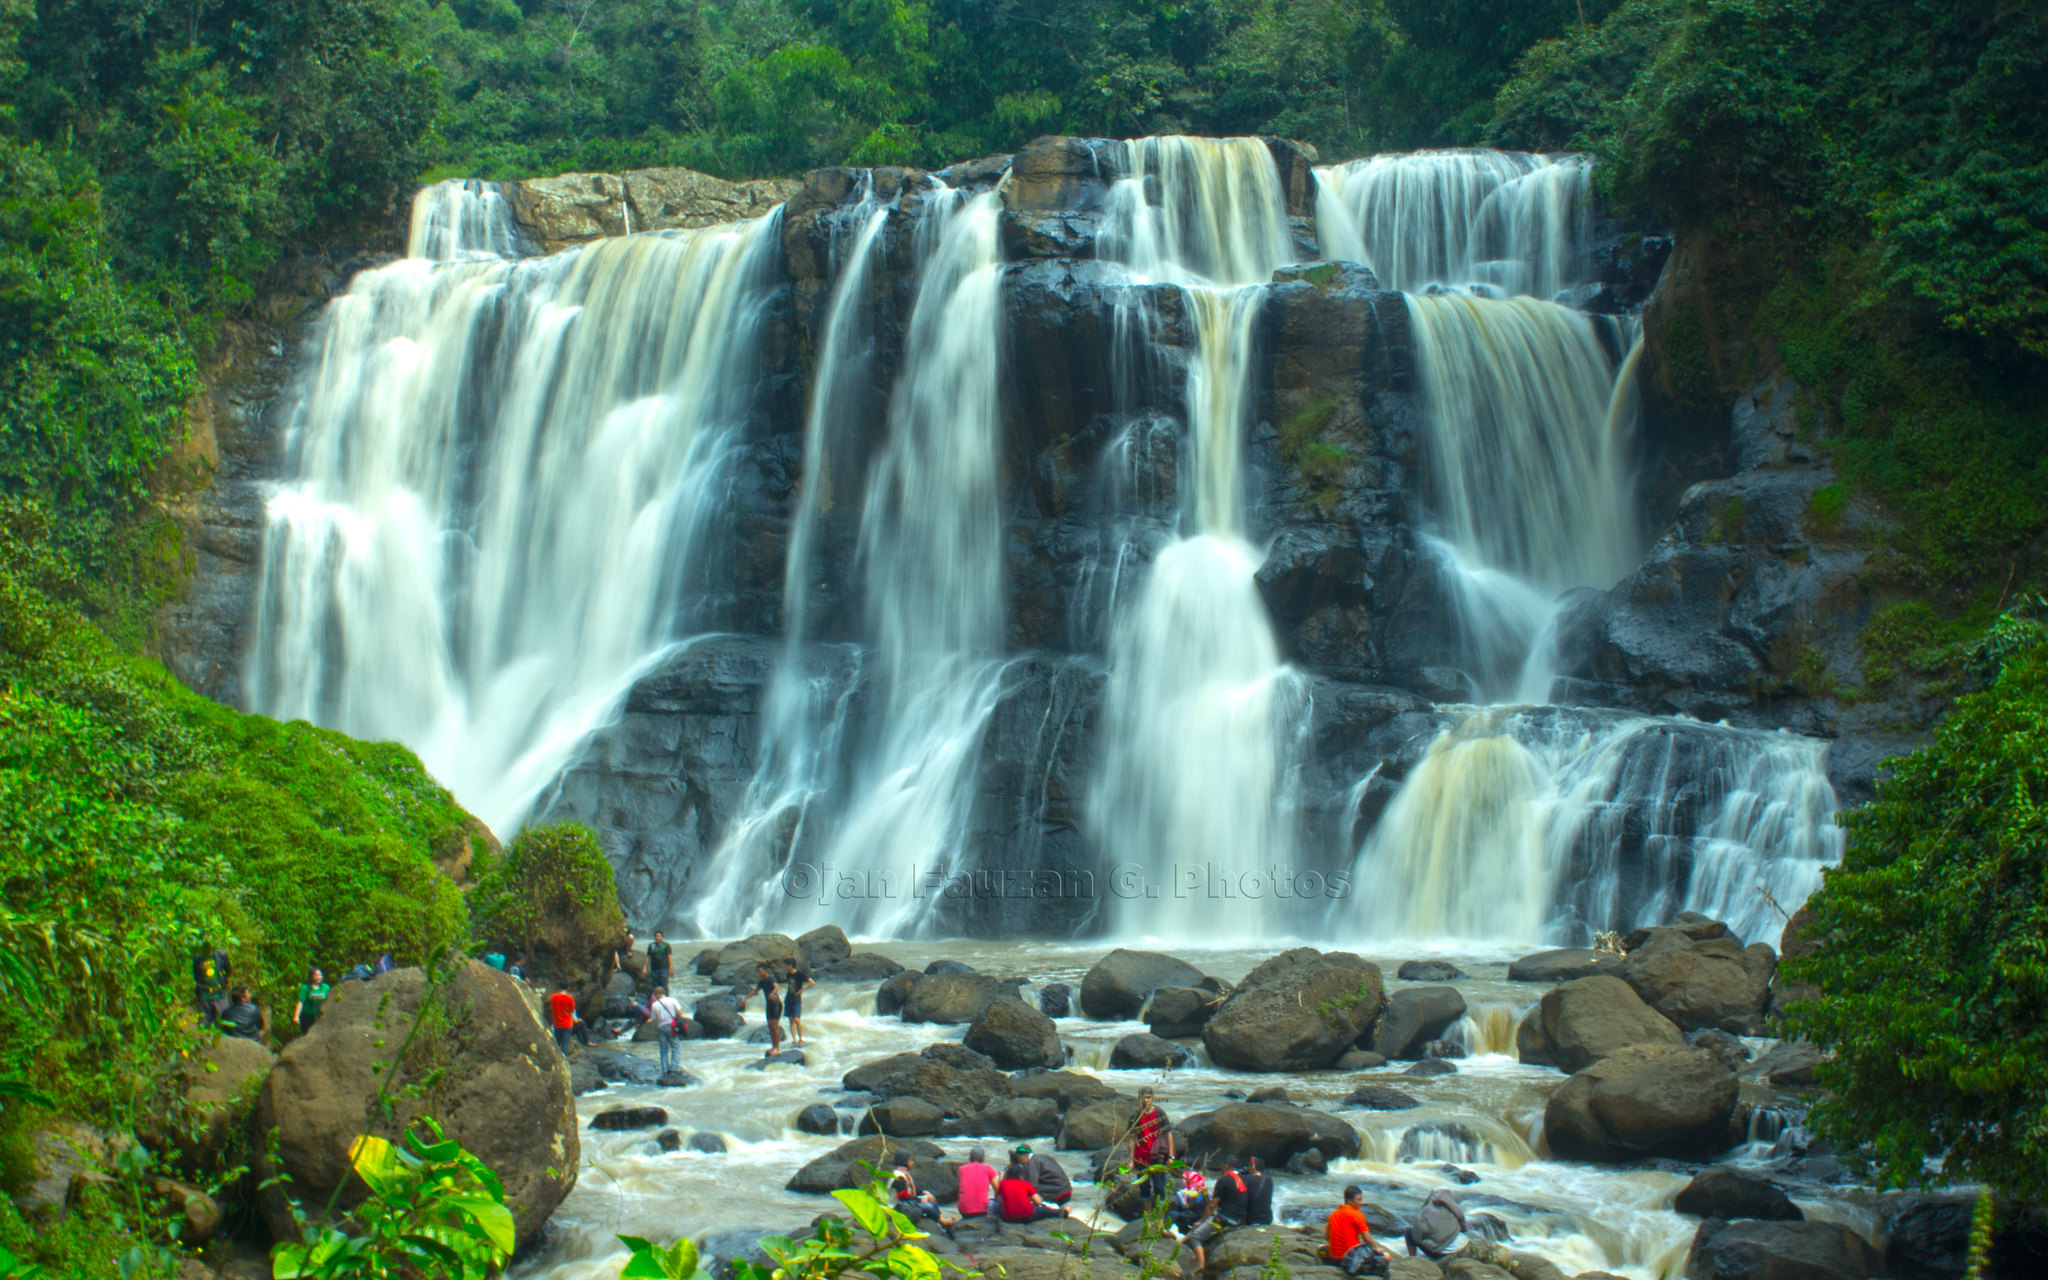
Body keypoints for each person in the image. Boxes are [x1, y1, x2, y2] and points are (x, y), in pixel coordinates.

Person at [1328, 1185, 1390, 1277]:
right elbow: (1367, 1239)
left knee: (1320, 1247)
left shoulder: (1333, 1214)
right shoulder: (1356, 1214)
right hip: (1351, 1260)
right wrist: (1375, 1251)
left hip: (1334, 1258)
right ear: (1349, 1201)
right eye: (1359, 1200)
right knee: (1387, 1256)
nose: (1361, 1203)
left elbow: (1328, 1237)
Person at [888, 1152, 954, 1235]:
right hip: (898, 1207)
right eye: (910, 1160)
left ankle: (941, 1218)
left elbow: (909, 1190)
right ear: (905, 1162)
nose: (912, 1162)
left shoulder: (902, 1173)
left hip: (904, 1203)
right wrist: (919, 1199)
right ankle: (942, 1222)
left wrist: (924, 1193)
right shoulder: (899, 1178)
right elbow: (903, 1197)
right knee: (927, 1206)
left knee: (930, 1198)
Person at [1404, 1189, 1467, 1260]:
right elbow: (1463, 1229)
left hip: (1437, 1253)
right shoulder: (1455, 1211)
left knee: (1409, 1233)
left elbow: (1417, 1234)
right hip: (1453, 1251)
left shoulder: (1428, 1211)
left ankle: (1412, 1258)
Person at [997, 1160, 1066, 1224]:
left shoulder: (1003, 1183)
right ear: (1021, 1176)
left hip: (1008, 1218)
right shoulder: (1026, 1184)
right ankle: (1063, 1212)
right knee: (1045, 1210)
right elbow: (1038, 1201)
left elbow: (1000, 1201)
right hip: (1027, 1216)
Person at [743, 963, 784, 1057]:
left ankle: (777, 1048)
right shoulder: (762, 982)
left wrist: (773, 993)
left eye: (760, 971)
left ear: (765, 970)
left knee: (774, 1025)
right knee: (770, 1026)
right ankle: (773, 1047)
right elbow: (755, 991)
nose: (759, 973)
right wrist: (745, 998)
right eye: (758, 972)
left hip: (776, 1004)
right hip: (769, 1005)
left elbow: (777, 987)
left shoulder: (771, 978)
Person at [1132, 1087, 1165, 1200]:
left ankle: (1159, 1216)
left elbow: (1168, 1134)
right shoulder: (1136, 1116)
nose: (1146, 1100)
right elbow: (1132, 1138)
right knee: (1144, 1188)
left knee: (1160, 1187)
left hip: (1157, 1156)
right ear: (1139, 1099)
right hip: (1141, 1156)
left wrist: (1171, 1156)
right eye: (1143, 1098)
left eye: (1148, 1098)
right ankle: (1148, 1214)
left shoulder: (1159, 1113)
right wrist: (1131, 1159)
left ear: (1152, 1098)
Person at [649, 987, 686, 1074]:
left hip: (661, 1027)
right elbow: (679, 1013)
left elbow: (654, 1019)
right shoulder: (673, 1000)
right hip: (672, 1027)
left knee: (663, 1049)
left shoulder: (655, 1005)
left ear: (656, 995)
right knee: (675, 1047)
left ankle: (665, 1069)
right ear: (664, 993)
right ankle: (674, 1068)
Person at [956, 1147, 999, 1219]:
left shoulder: (961, 1169)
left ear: (970, 1159)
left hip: (964, 1211)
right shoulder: (988, 1168)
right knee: (998, 1204)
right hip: (982, 1211)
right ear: (983, 1159)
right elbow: (998, 1190)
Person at [193, 948, 231, 1022]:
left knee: (224, 1024)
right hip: (204, 996)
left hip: (220, 995)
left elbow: (228, 971)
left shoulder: (221, 955)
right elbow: (196, 976)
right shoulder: (198, 957)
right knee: (204, 1025)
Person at [1168, 1168, 1209, 1234]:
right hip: (1201, 1217)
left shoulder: (1190, 1193)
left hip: (1192, 1218)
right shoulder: (1207, 1192)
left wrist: (1180, 1195)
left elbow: (1186, 1206)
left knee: (1171, 1213)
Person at [548, 983, 585, 1053]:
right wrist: (576, 1020)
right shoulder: (570, 999)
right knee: (565, 1043)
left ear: (559, 987)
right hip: (567, 1024)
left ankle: (557, 1059)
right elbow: (572, 1012)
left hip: (557, 1023)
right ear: (568, 988)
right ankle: (564, 1059)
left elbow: (552, 1008)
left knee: (556, 1043)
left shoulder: (553, 997)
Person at [292, 968, 330, 1035]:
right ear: (311, 977)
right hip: (307, 1016)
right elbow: (301, 1002)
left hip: (319, 1015)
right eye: (316, 975)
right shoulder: (305, 988)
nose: (319, 977)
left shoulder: (326, 987)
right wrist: (296, 1016)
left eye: (320, 975)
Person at [784, 961, 813, 1047]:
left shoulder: (800, 974)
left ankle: (801, 1039)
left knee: (797, 1020)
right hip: (788, 998)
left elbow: (812, 982)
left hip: (796, 999)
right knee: (791, 1020)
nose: (785, 967)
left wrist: (802, 990)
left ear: (791, 965)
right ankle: (794, 1040)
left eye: (786, 965)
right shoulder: (788, 974)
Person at [1244, 1156, 1275, 1225]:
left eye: (1249, 1165)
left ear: (1253, 1167)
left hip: (1251, 1220)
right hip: (1267, 1219)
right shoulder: (1269, 1179)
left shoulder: (1247, 1179)